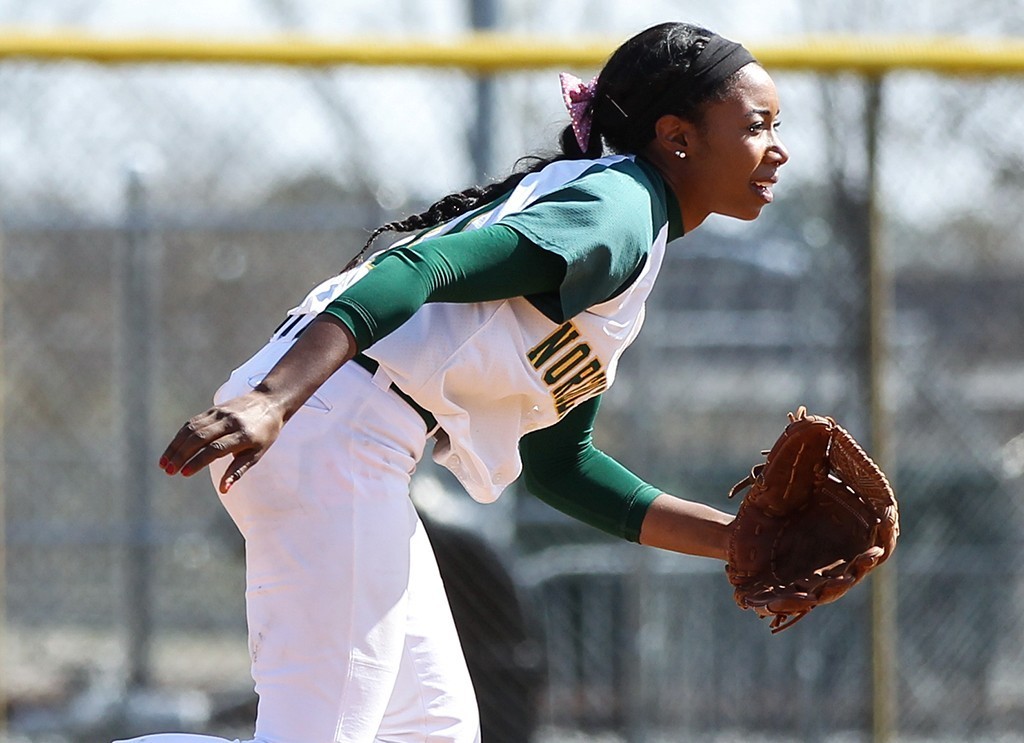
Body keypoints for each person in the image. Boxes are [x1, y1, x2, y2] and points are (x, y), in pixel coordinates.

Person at [119, 19, 788, 743]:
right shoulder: (619, 212)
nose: (778, 149)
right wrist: (275, 399)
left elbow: (563, 466)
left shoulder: (622, 222)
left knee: (433, 729)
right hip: (332, 426)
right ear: (678, 136)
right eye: (757, 126)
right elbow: (417, 270)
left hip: (345, 433)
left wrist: (736, 539)